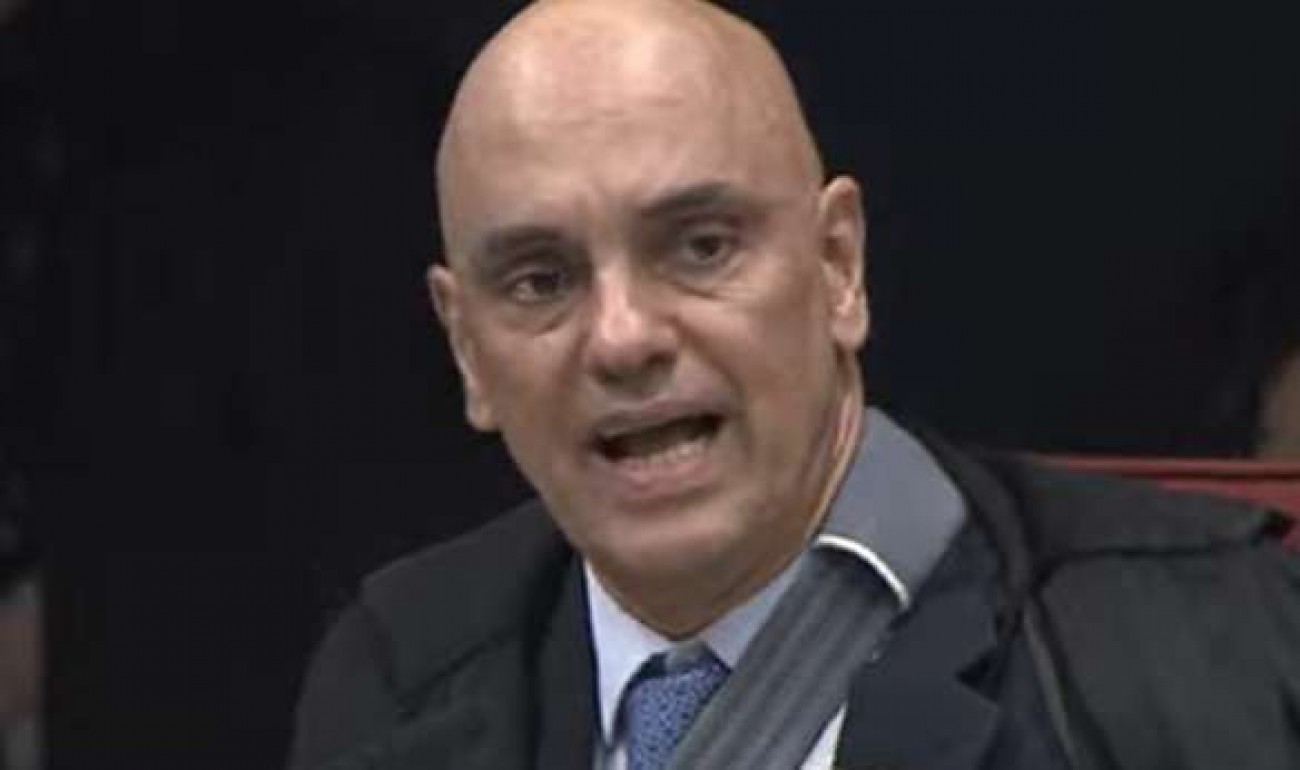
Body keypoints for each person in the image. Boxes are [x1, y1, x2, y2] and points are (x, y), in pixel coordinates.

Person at [289, 2, 1300, 769]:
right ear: (468, 350)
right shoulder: (394, 676)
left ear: (837, 268)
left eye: (700, 245)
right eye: (540, 281)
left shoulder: (1210, 649)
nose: (623, 337)